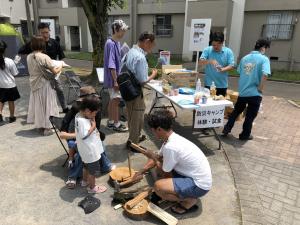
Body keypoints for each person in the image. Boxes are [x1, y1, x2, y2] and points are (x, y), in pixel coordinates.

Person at [132, 109, 212, 215]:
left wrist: (153, 158)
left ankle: (189, 201)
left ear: (159, 129)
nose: (153, 132)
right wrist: (141, 172)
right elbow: (158, 157)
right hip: (191, 175)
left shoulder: (171, 146)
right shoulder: (170, 139)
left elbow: (165, 171)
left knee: (158, 187)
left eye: (153, 130)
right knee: (158, 168)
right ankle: (178, 191)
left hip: (200, 185)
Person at [59, 86, 115, 189]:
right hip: (75, 137)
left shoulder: (95, 109)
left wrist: (93, 132)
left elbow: (95, 129)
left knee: (98, 145)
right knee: (83, 151)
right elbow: (64, 126)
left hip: (87, 137)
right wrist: (72, 136)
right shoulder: (76, 108)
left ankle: (105, 165)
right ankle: (73, 176)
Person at [222, 39, 271, 141]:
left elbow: (240, 72)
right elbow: (265, 74)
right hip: (255, 93)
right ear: (263, 48)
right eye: (266, 48)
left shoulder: (244, 58)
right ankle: (245, 135)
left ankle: (226, 128)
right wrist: (260, 88)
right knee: (250, 115)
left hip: (243, 92)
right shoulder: (264, 59)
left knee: (236, 111)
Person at [18, 22, 68, 113]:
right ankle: (43, 111)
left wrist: (59, 64)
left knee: (59, 89)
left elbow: (61, 56)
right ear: (39, 32)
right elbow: (21, 51)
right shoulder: (34, 43)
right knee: (43, 93)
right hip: (40, 74)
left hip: (53, 70)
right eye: (43, 33)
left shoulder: (54, 43)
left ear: (49, 31)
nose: (45, 34)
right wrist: (33, 57)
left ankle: (64, 107)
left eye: (46, 32)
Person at [122, 32, 157, 148]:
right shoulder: (140, 57)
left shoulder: (130, 52)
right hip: (135, 90)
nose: (151, 49)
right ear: (147, 42)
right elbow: (143, 80)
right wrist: (153, 75)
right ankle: (133, 144)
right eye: (151, 45)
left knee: (132, 115)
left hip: (126, 88)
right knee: (137, 116)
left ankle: (135, 136)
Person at [27, 36, 62, 136]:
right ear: (42, 45)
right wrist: (61, 66)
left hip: (34, 84)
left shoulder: (29, 56)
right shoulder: (44, 57)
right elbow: (54, 71)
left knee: (39, 105)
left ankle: (41, 125)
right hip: (44, 84)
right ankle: (48, 127)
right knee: (48, 104)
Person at [75, 97, 107, 193]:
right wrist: (93, 126)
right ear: (88, 111)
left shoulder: (78, 116)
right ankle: (92, 188)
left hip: (85, 150)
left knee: (86, 166)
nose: (95, 115)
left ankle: (84, 182)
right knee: (92, 171)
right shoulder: (83, 121)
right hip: (90, 151)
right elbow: (84, 135)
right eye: (94, 113)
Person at [104, 19, 129, 132]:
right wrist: (115, 81)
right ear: (116, 30)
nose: (124, 32)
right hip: (113, 78)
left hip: (114, 77)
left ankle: (110, 121)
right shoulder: (110, 43)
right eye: (123, 30)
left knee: (113, 100)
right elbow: (111, 64)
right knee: (116, 100)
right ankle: (116, 123)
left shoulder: (116, 43)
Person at [199, 31, 235, 96]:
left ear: (222, 43)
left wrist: (223, 69)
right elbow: (201, 61)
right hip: (209, 85)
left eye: (218, 45)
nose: (215, 47)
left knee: (220, 104)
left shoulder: (228, 51)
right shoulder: (207, 50)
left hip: (222, 85)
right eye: (213, 45)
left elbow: (232, 65)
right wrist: (210, 61)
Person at [0, 41, 20, 123]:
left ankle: (0, 114)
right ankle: (12, 117)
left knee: (0, 101)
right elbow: (15, 73)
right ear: (4, 50)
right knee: (11, 101)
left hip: (0, 85)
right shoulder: (9, 61)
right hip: (10, 85)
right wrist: (15, 63)